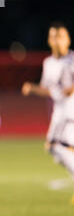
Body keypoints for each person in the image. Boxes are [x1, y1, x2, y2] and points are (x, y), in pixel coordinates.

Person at [22, 22, 74, 190]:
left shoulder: (72, 60)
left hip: (70, 109)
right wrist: (34, 88)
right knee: (60, 151)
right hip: (59, 110)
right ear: (49, 41)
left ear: (68, 40)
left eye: (60, 37)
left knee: (54, 146)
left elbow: (68, 91)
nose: (57, 40)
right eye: (53, 37)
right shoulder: (48, 62)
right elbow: (48, 88)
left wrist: (36, 90)